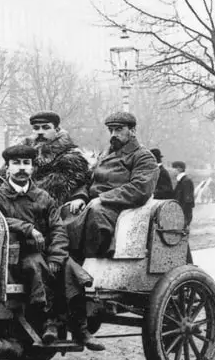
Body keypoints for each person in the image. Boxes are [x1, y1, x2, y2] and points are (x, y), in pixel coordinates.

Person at [0, 144, 104, 351]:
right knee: (36, 265)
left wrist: (57, 258)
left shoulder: (43, 197)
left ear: (32, 168)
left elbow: (58, 229)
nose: (21, 168)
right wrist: (27, 228)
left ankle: (80, 330)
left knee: (71, 271)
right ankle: (48, 322)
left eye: (26, 163)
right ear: (8, 169)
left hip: (45, 253)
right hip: (15, 257)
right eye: (16, 164)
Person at [66, 111, 158, 260]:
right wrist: (80, 197)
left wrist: (103, 198)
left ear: (133, 131)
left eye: (119, 129)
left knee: (95, 214)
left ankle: (84, 262)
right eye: (111, 130)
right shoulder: (105, 153)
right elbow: (89, 179)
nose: (113, 134)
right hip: (96, 203)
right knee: (66, 211)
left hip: (121, 207)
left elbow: (140, 189)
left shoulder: (143, 156)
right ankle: (64, 260)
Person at [18, 111, 91, 207]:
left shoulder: (70, 158)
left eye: (46, 128)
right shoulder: (22, 153)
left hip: (50, 208)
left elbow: (52, 191)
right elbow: (2, 179)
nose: (40, 132)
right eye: (36, 128)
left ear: (56, 130)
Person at [172, 161, 195, 227]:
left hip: (184, 213)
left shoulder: (186, 181)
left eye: (174, 169)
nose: (173, 171)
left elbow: (187, 201)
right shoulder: (182, 180)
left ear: (179, 169)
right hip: (182, 213)